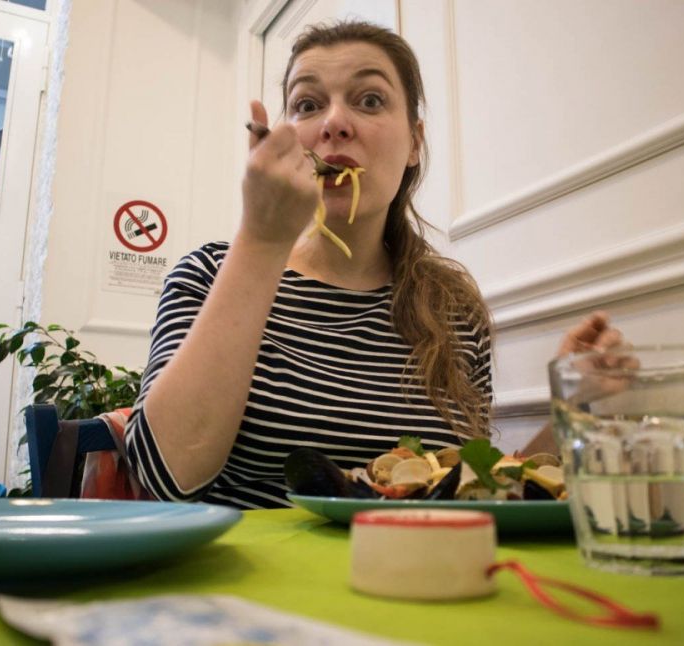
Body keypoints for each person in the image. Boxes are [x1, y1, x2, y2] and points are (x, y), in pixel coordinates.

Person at [124, 21, 623, 509]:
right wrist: (262, 239)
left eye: (369, 100)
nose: (334, 123)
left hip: (417, 563)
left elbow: (471, 491)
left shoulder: (452, 309)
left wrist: (570, 408)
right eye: (307, 105)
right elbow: (166, 478)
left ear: (415, 143)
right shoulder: (208, 273)